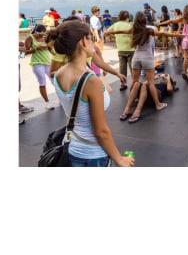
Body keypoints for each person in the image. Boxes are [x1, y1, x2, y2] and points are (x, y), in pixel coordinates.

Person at [49, 20, 134, 167]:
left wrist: (90, 70)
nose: (94, 44)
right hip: (92, 155)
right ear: (83, 40)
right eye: (92, 39)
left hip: (71, 147)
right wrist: (119, 160)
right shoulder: (90, 81)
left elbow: (104, 91)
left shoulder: (59, 74)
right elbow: (101, 131)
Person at [110, 12, 184, 111]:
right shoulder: (149, 30)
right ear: (144, 21)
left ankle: (132, 101)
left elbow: (121, 31)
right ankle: (158, 104)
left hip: (136, 58)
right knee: (151, 83)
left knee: (135, 82)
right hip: (147, 59)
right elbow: (162, 33)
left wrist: (108, 32)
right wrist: (179, 36)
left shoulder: (133, 30)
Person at [24, 25, 56, 109]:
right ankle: (47, 102)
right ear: (36, 32)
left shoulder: (46, 37)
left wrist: (52, 51)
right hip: (37, 63)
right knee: (42, 83)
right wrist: (36, 49)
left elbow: (51, 49)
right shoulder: (30, 38)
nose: (42, 36)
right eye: (40, 35)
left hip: (48, 62)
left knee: (55, 81)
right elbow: (24, 52)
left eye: (44, 35)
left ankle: (62, 98)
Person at [105, 10, 136, 90]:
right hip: (131, 49)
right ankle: (135, 84)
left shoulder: (115, 25)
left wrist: (114, 36)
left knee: (122, 68)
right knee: (132, 67)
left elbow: (106, 32)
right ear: (127, 18)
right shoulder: (130, 25)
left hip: (121, 49)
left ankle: (122, 84)